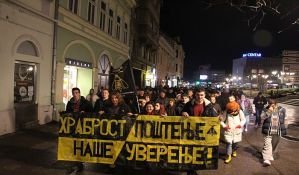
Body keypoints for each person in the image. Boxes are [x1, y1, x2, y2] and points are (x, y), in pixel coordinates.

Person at [65, 87, 93, 173]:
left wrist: (84, 113)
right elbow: (67, 113)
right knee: (73, 142)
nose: (75, 94)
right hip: (73, 126)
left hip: (83, 126)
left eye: (76, 93)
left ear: (79, 93)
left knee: (81, 143)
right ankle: (75, 159)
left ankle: (80, 161)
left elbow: (91, 113)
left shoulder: (86, 103)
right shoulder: (70, 103)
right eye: (73, 93)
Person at [261, 99, 287, 166]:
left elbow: (284, 119)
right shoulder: (265, 109)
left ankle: (271, 154)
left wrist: (285, 127)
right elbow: (262, 117)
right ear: (268, 104)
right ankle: (266, 159)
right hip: (268, 130)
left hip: (277, 130)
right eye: (270, 104)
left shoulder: (282, 109)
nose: (272, 106)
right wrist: (269, 111)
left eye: (273, 105)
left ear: (276, 104)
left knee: (274, 144)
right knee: (267, 144)